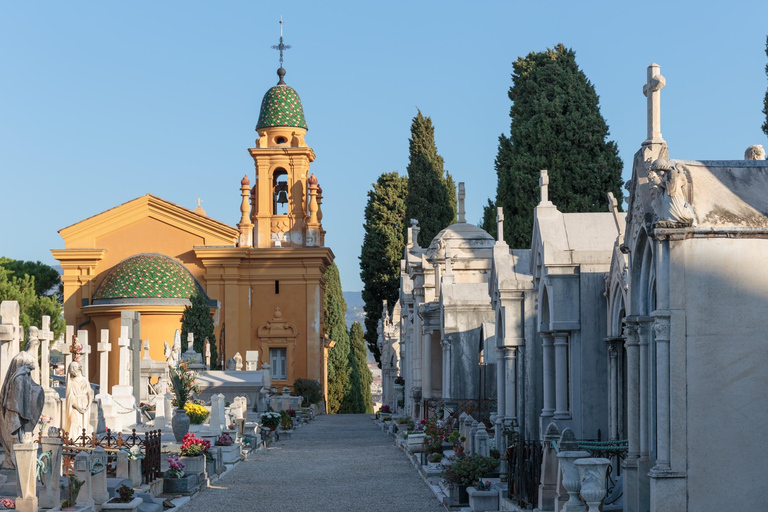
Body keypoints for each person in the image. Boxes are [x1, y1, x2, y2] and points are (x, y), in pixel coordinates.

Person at [0, 337, 44, 469]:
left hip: (15, 413)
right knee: (14, 437)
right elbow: (15, 401)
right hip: (14, 413)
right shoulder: (18, 379)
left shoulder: (19, 376)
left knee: (15, 437)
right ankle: (14, 461)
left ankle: (14, 460)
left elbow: (32, 390)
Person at [64, 361, 93, 439]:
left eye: (74, 368)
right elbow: (70, 397)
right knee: (74, 423)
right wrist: (78, 407)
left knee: (83, 426)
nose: (73, 371)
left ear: (79, 369)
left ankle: (81, 442)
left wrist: (88, 405)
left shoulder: (85, 380)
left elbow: (89, 393)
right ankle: (72, 442)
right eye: (71, 369)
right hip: (75, 406)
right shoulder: (71, 382)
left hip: (85, 405)